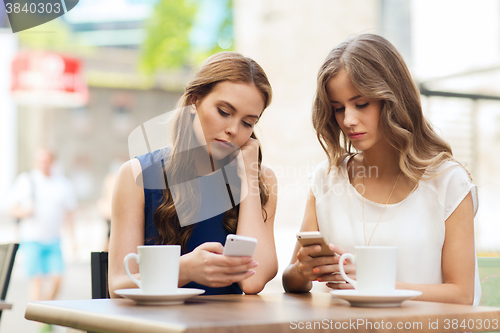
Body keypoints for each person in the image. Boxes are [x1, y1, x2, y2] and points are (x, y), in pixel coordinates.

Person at [282, 34, 480, 305]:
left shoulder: (447, 182)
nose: (348, 120)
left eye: (361, 104)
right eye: (338, 108)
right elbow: (292, 281)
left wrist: (372, 283)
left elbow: (461, 295)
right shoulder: (327, 178)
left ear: (393, 98)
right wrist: (303, 271)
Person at [109, 52, 278, 297]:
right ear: (193, 101)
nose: (233, 130)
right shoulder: (136, 175)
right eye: (224, 111)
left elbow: (253, 281)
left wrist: (249, 179)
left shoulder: (262, 180)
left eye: (248, 123)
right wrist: (184, 270)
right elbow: (118, 286)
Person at [8, 149, 77, 304]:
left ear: (53, 162)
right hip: (32, 239)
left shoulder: (62, 183)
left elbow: (69, 214)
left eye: (46, 160)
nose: (43, 164)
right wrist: (24, 212)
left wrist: (73, 240)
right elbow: (12, 208)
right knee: (37, 280)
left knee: (58, 279)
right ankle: (40, 324)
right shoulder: (27, 180)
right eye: (39, 160)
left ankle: (43, 309)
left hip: (53, 239)